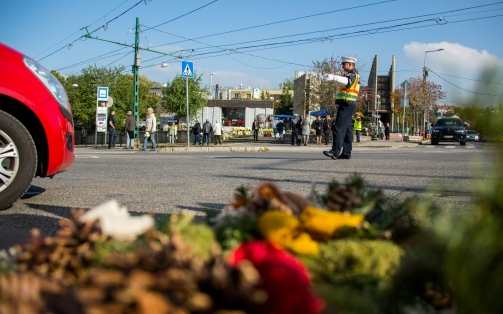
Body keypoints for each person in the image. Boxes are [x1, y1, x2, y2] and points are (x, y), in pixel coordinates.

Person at [322, 56, 360, 160]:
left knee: (338, 127)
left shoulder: (353, 74)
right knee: (347, 129)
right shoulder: (351, 74)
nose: (342, 65)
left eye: (344, 64)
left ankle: (335, 151)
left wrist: (334, 77)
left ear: (350, 65)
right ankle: (346, 153)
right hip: (348, 104)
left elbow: (347, 82)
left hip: (346, 104)